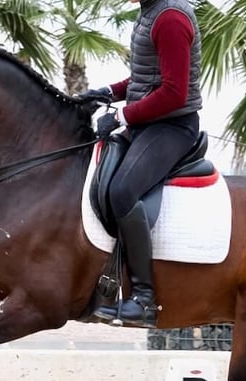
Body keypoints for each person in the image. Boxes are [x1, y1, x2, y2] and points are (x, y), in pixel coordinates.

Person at [75, 0, 203, 328]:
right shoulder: (150, 11)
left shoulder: (171, 18)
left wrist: (121, 115)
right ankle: (106, 284)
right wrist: (108, 92)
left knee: (122, 191)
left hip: (172, 127)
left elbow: (174, 93)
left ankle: (144, 297)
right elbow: (147, 78)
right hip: (147, 124)